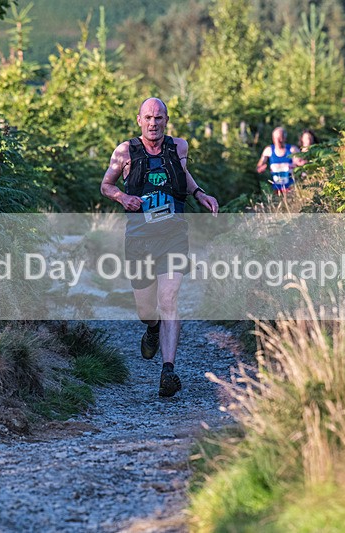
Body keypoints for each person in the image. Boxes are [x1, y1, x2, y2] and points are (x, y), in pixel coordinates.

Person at [100, 97, 219, 397]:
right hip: (139, 238)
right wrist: (122, 198)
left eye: (159, 118)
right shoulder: (124, 151)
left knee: (168, 299)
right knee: (146, 310)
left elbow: (183, 174)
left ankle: (168, 370)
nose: (153, 123)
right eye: (148, 117)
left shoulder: (179, 147)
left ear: (166, 120)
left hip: (173, 235)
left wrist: (199, 193)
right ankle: (152, 328)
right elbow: (106, 185)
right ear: (139, 120)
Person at [256, 126, 299, 197]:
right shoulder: (268, 150)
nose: (278, 140)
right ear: (273, 138)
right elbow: (258, 167)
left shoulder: (292, 150)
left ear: (285, 138)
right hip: (275, 190)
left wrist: (295, 165)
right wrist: (260, 169)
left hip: (291, 189)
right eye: (275, 138)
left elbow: (301, 165)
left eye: (280, 137)